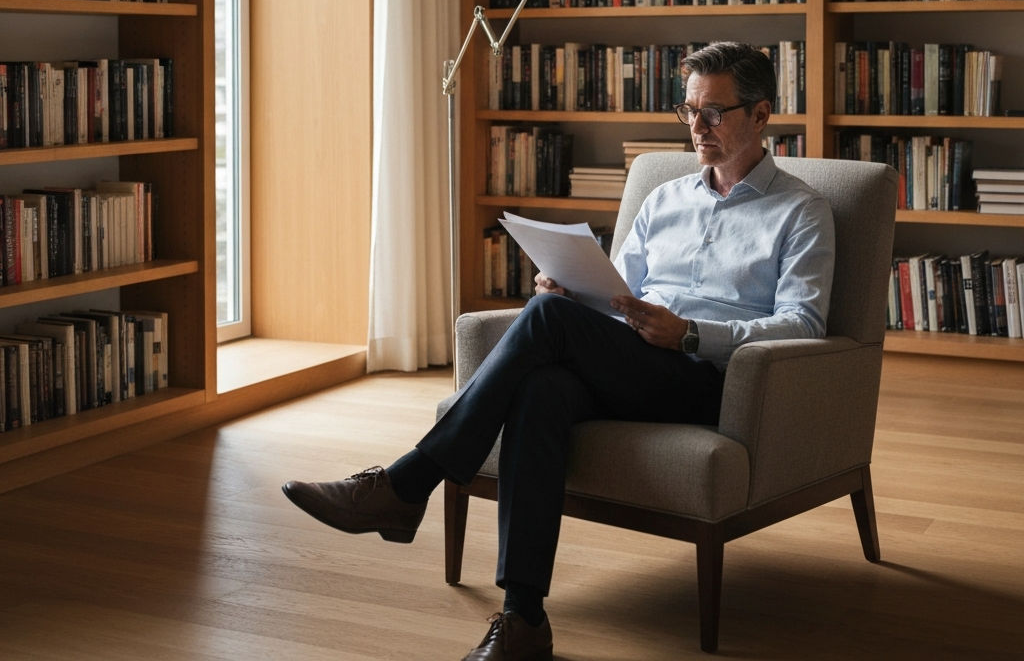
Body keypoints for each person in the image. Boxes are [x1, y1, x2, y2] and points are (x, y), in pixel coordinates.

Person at [282, 41, 835, 661]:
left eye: (714, 113)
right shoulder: (664, 199)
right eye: (689, 111)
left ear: (760, 116)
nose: (697, 127)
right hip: (632, 359)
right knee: (541, 387)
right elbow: (618, 294)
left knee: (547, 321)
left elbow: (803, 324)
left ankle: (407, 484)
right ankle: (524, 620)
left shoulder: (801, 210)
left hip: (709, 376)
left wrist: (688, 333)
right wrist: (573, 289)